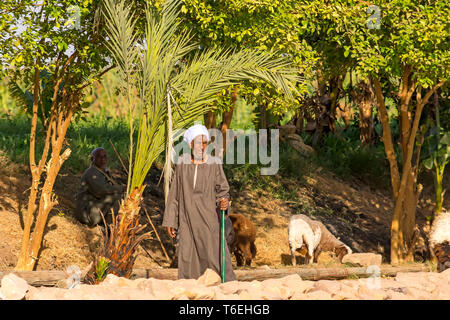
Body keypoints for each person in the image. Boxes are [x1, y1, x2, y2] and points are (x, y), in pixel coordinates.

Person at [162, 124, 236, 281]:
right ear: (190, 145)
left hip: (210, 222)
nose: (201, 147)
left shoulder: (214, 163)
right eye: (198, 143)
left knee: (216, 257)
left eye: (204, 143)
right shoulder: (182, 163)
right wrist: (171, 220)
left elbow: (223, 191)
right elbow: (175, 194)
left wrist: (224, 202)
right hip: (187, 222)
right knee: (188, 260)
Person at [74, 147, 125, 227]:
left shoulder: (101, 170)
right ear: (92, 159)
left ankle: (110, 224)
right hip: (86, 214)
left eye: (104, 156)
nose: (103, 159)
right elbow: (101, 191)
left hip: (94, 208)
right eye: (99, 157)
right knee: (116, 196)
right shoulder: (91, 173)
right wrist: (121, 188)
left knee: (118, 195)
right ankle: (110, 226)